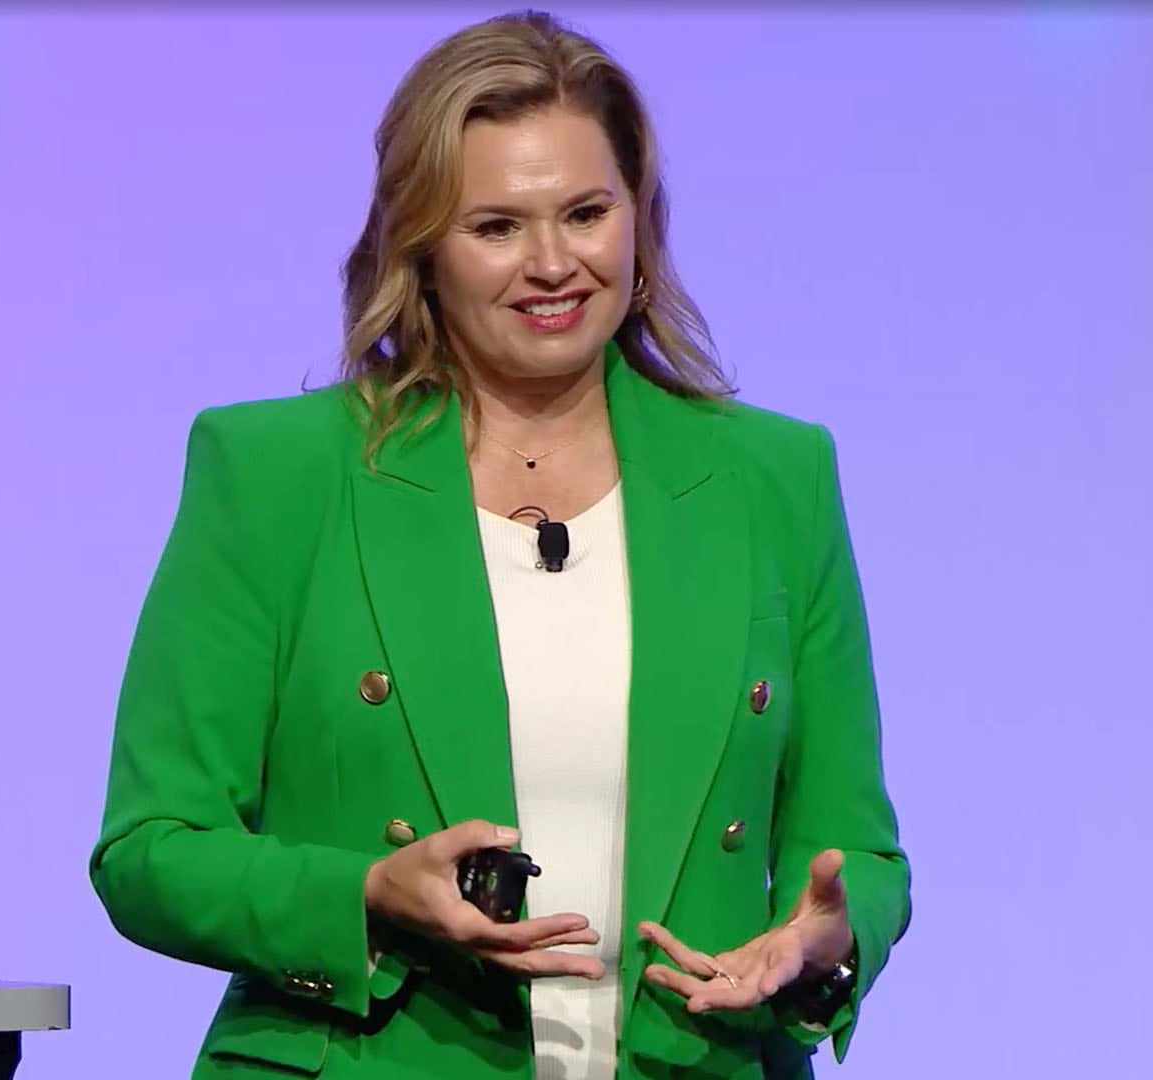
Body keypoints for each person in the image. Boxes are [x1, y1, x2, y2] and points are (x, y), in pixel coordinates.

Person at [90, 11, 909, 1079]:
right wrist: (366, 896)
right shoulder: (277, 474)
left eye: (586, 213)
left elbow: (857, 849)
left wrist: (826, 942)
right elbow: (151, 851)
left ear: (639, 222)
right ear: (419, 244)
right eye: (496, 227)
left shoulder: (773, 480)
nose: (553, 264)